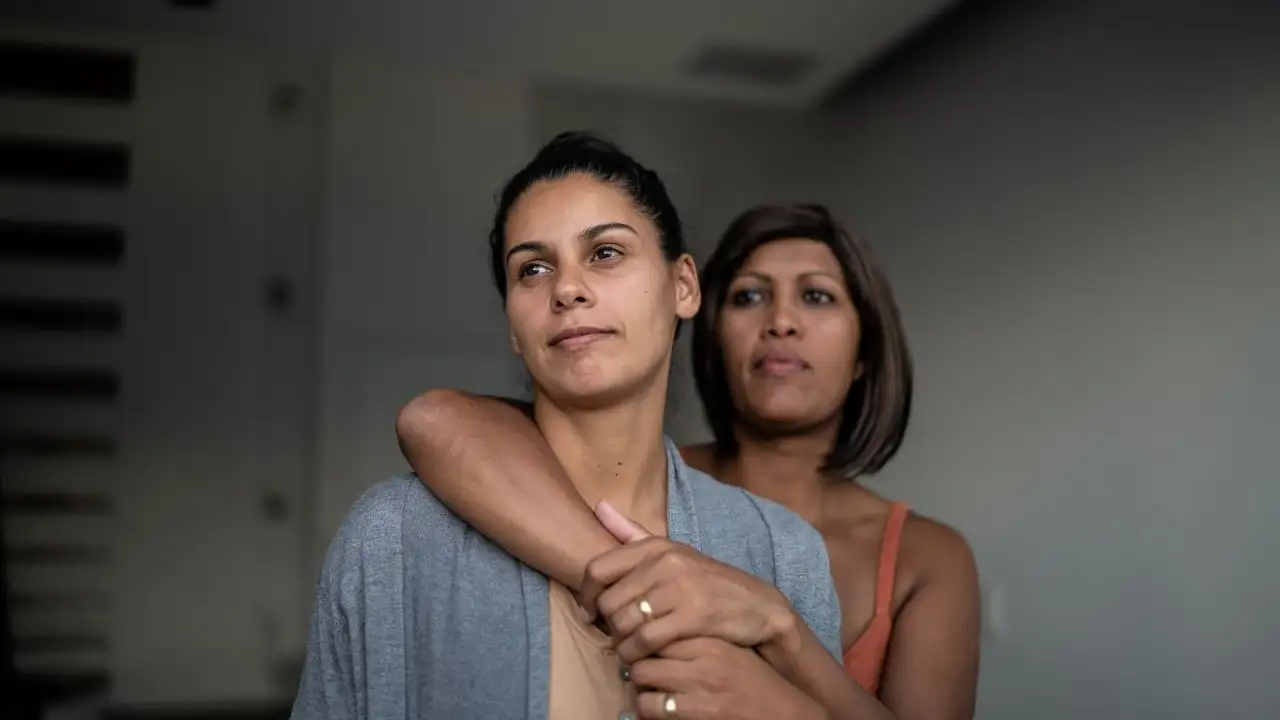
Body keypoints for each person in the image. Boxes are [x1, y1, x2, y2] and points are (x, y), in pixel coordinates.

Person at [292, 133, 844, 720]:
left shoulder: (784, 553)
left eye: (606, 252)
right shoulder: (394, 536)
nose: (567, 290)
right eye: (532, 269)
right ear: (512, 324)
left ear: (683, 286)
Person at [396, 204, 982, 719]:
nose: (780, 321)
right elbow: (439, 421)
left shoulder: (926, 558)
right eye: (748, 296)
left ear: (865, 353)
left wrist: (778, 629)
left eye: (816, 296)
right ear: (708, 325)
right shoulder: (637, 480)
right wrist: (635, 586)